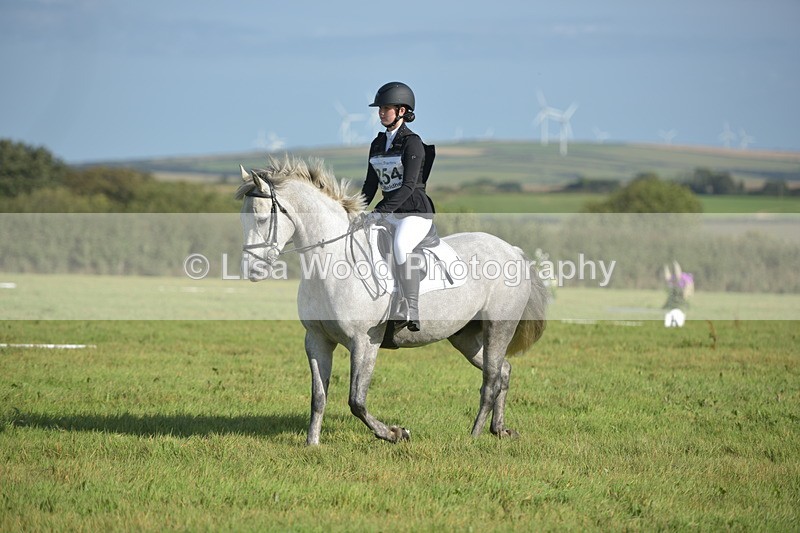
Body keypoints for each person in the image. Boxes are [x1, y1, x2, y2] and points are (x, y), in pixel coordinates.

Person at [360, 81, 435, 332]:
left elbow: (408, 187)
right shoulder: (377, 144)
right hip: (389, 212)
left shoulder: (413, 143)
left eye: (386, 108)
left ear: (402, 111)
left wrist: (379, 213)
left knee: (401, 244)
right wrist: (356, 210)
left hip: (414, 212)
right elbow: (370, 185)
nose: (381, 112)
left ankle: (410, 309)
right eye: (380, 108)